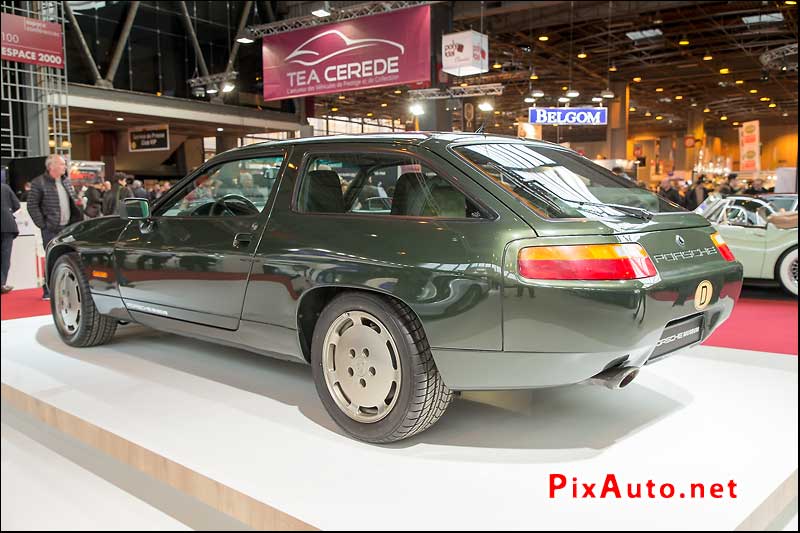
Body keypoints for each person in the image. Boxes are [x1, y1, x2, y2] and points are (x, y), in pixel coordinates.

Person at [27, 154, 82, 299]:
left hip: (68, 227)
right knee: (52, 258)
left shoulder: (66, 182)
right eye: (62, 164)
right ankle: (48, 290)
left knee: (69, 258)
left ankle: (65, 289)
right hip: (51, 228)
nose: (65, 167)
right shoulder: (39, 182)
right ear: (51, 166)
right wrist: (43, 224)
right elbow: (32, 205)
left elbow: (73, 202)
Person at [1, 179, 20, 294]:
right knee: (5, 256)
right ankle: (2, 283)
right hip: (7, 225)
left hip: (7, 226)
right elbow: (16, 205)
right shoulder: (5, 187)